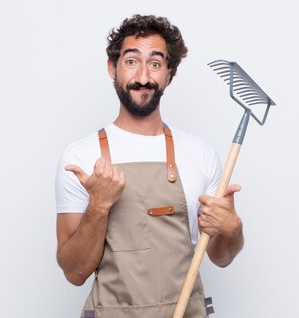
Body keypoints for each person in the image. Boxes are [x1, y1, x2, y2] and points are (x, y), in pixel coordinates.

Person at [55, 14, 244, 318]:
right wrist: (99, 206)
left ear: (169, 74)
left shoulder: (200, 153)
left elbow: (220, 256)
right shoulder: (80, 156)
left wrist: (232, 230)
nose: (143, 76)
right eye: (131, 61)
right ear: (112, 67)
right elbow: (74, 272)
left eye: (155, 64)